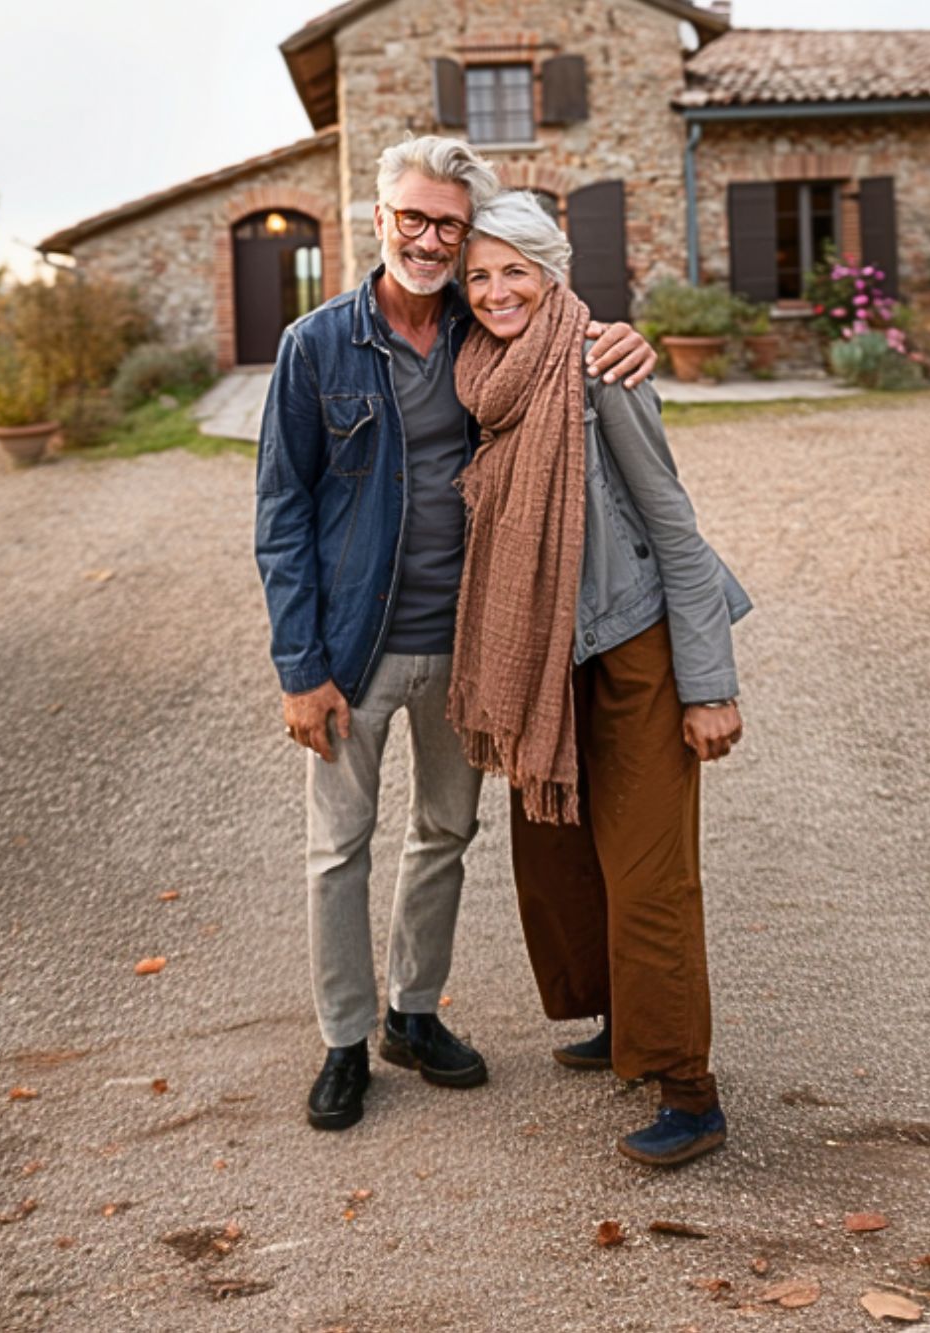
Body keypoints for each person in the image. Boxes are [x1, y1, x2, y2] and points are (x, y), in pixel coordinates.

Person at [254, 138, 656, 1133]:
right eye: (412, 220)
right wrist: (300, 666)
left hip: (469, 639)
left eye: (447, 224)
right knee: (337, 847)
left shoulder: (488, 335)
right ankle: (343, 1039)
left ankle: (411, 1012)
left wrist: (628, 342)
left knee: (445, 832)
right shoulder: (315, 346)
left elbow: (567, 341)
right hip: (354, 650)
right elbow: (281, 515)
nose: (430, 241)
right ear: (377, 220)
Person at [448, 190, 750, 1167]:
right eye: (479, 275)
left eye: (514, 273)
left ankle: (687, 1091)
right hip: (548, 647)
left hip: (635, 642)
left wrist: (708, 685)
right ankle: (619, 1021)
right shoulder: (480, 374)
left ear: (552, 275)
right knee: (557, 850)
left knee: (648, 868)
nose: (496, 292)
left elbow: (673, 525)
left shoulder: (597, 367)